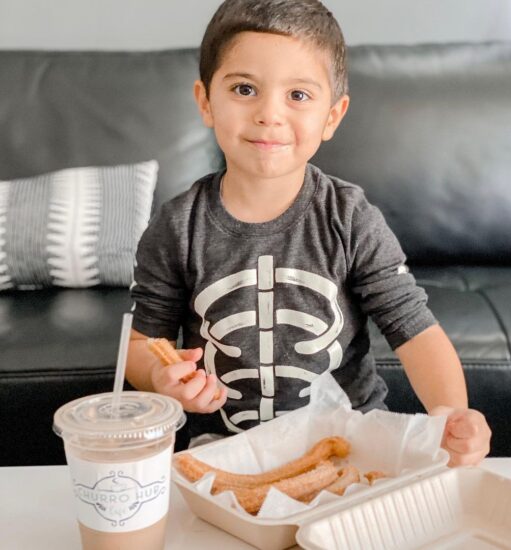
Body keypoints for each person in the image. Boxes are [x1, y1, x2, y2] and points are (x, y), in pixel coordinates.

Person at [127, 0, 491, 466]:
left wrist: (453, 416)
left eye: (297, 95)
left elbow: (413, 328)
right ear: (205, 102)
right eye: (244, 89)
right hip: (222, 450)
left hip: (353, 444)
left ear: (332, 116)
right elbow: (141, 346)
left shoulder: (350, 217)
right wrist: (162, 376)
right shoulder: (175, 227)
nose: (269, 114)